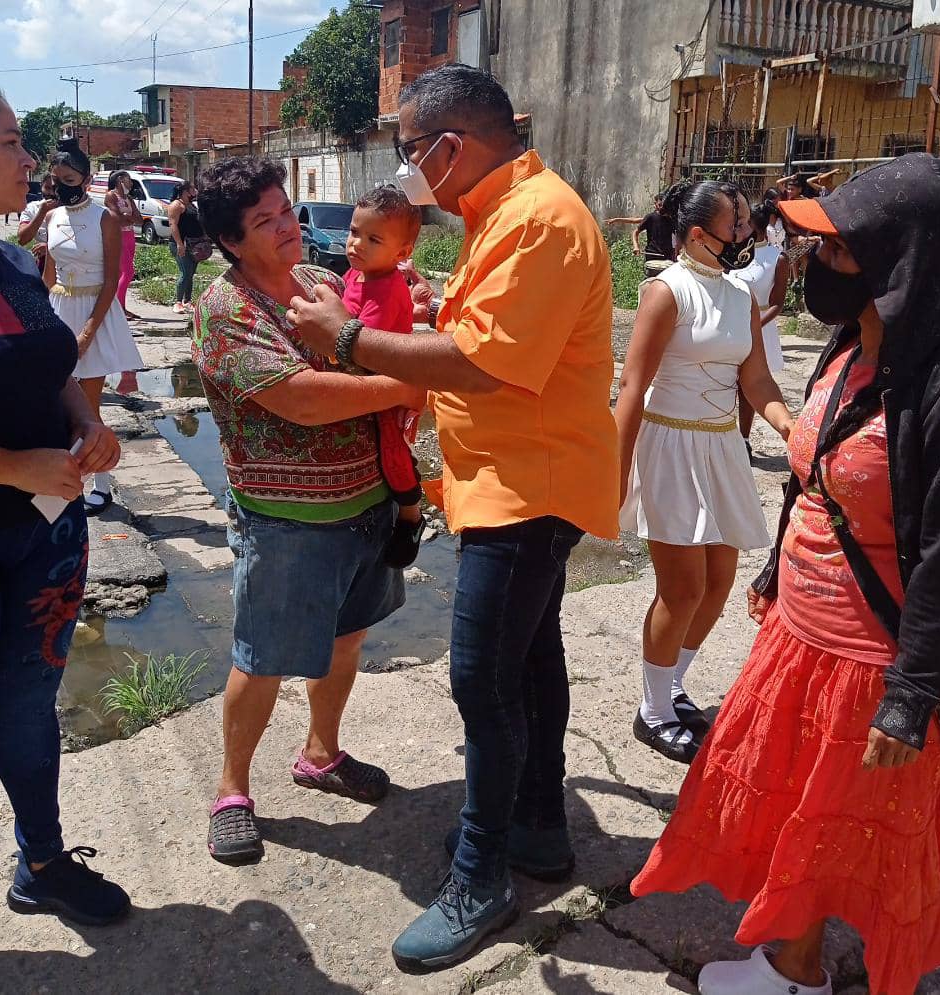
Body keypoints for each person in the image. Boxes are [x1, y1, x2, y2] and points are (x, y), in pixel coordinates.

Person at [631, 153, 940, 995]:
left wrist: (911, 701)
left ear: (898, 263)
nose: (817, 267)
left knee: (852, 827)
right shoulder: (848, 347)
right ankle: (793, 961)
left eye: (839, 253)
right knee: (793, 817)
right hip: (797, 639)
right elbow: (819, 475)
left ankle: (827, 972)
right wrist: (774, 569)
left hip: (871, 668)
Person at [287, 64, 620, 971]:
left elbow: (484, 366)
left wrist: (345, 337)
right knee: (529, 657)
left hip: (528, 489)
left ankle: (482, 875)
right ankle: (540, 825)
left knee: (483, 682)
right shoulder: (497, 214)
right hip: (505, 479)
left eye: (405, 150)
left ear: (449, 147)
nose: (402, 171)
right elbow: (482, 332)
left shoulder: (540, 219)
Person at [191, 156, 425, 866]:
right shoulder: (225, 310)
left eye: (286, 209)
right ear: (232, 241)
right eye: (265, 221)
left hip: (364, 506)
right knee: (261, 659)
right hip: (286, 522)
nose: (288, 225)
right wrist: (412, 378)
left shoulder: (323, 284)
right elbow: (306, 397)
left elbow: (367, 341)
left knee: (347, 639)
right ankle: (233, 790)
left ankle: (320, 753)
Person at [0, 78, 128, 927]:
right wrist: (19, 466)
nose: (32, 160)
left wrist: (88, 422)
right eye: (12, 141)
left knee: (28, 704)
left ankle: (42, 863)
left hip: (45, 536)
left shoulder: (17, 261)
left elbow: (52, 368)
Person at [616, 179, 792, 766]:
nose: (746, 233)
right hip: (669, 448)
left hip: (722, 448)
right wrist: (613, 477)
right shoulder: (666, 293)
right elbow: (632, 388)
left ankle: (672, 687)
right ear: (699, 235)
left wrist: (791, 427)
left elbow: (757, 381)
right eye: (735, 225)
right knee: (683, 587)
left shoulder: (740, 295)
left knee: (720, 581)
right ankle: (653, 712)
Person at [45, 138, 142, 516]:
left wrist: (88, 331)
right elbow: (48, 275)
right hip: (58, 308)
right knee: (55, 403)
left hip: (94, 313)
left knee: (89, 407)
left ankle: (100, 485)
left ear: (85, 178)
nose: (61, 185)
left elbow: (111, 279)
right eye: (55, 179)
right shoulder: (51, 217)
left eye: (68, 178)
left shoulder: (105, 218)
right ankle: (64, 477)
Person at [342, 184, 427, 568]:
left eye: (373, 238)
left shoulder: (388, 287)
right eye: (354, 232)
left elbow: (362, 342)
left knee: (392, 450)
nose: (356, 244)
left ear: (402, 253)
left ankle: (411, 514)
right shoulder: (355, 274)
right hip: (365, 380)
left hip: (391, 384)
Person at [735, 202, 790, 457]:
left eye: (745, 223)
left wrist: (754, 325)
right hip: (730, 323)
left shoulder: (776, 258)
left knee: (749, 386)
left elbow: (777, 303)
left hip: (759, 327)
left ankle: (743, 438)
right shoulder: (734, 255)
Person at [104, 170, 143, 319]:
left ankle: (121, 306)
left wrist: (128, 217)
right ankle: (118, 308)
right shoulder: (111, 196)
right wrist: (129, 217)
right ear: (120, 180)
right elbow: (117, 218)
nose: (131, 183)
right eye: (128, 179)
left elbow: (140, 220)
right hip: (117, 236)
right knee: (128, 272)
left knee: (122, 273)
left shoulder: (129, 198)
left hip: (130, 236)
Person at [167, 180, 206, 315]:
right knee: (185, 273)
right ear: (185, 191)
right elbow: (173, 225)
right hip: (181, 244)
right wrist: (179, 244)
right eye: (192, 188)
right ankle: (177, 302)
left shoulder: (190, 205)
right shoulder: (176, 205)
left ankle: (187, 301)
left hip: (194, 245)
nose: (194, 190)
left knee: (191, 274)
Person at [18, 171, 57, 272]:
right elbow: (22, 239)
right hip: (42, 267)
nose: (52, 193)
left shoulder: (70, 209)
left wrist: (50, 248)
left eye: (55, 189)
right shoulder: (32, 208)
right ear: (41, 186)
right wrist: (42, 212)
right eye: (48, 188)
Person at [632, 191, 677, 275]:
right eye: (660, 205)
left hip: (667, 256)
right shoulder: (651, 217)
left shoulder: (672, 219)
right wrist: (636, 246)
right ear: (655, 204)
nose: (662, 208)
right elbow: (635, 232)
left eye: (664, 205)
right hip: (652, 254)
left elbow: (678, 237)